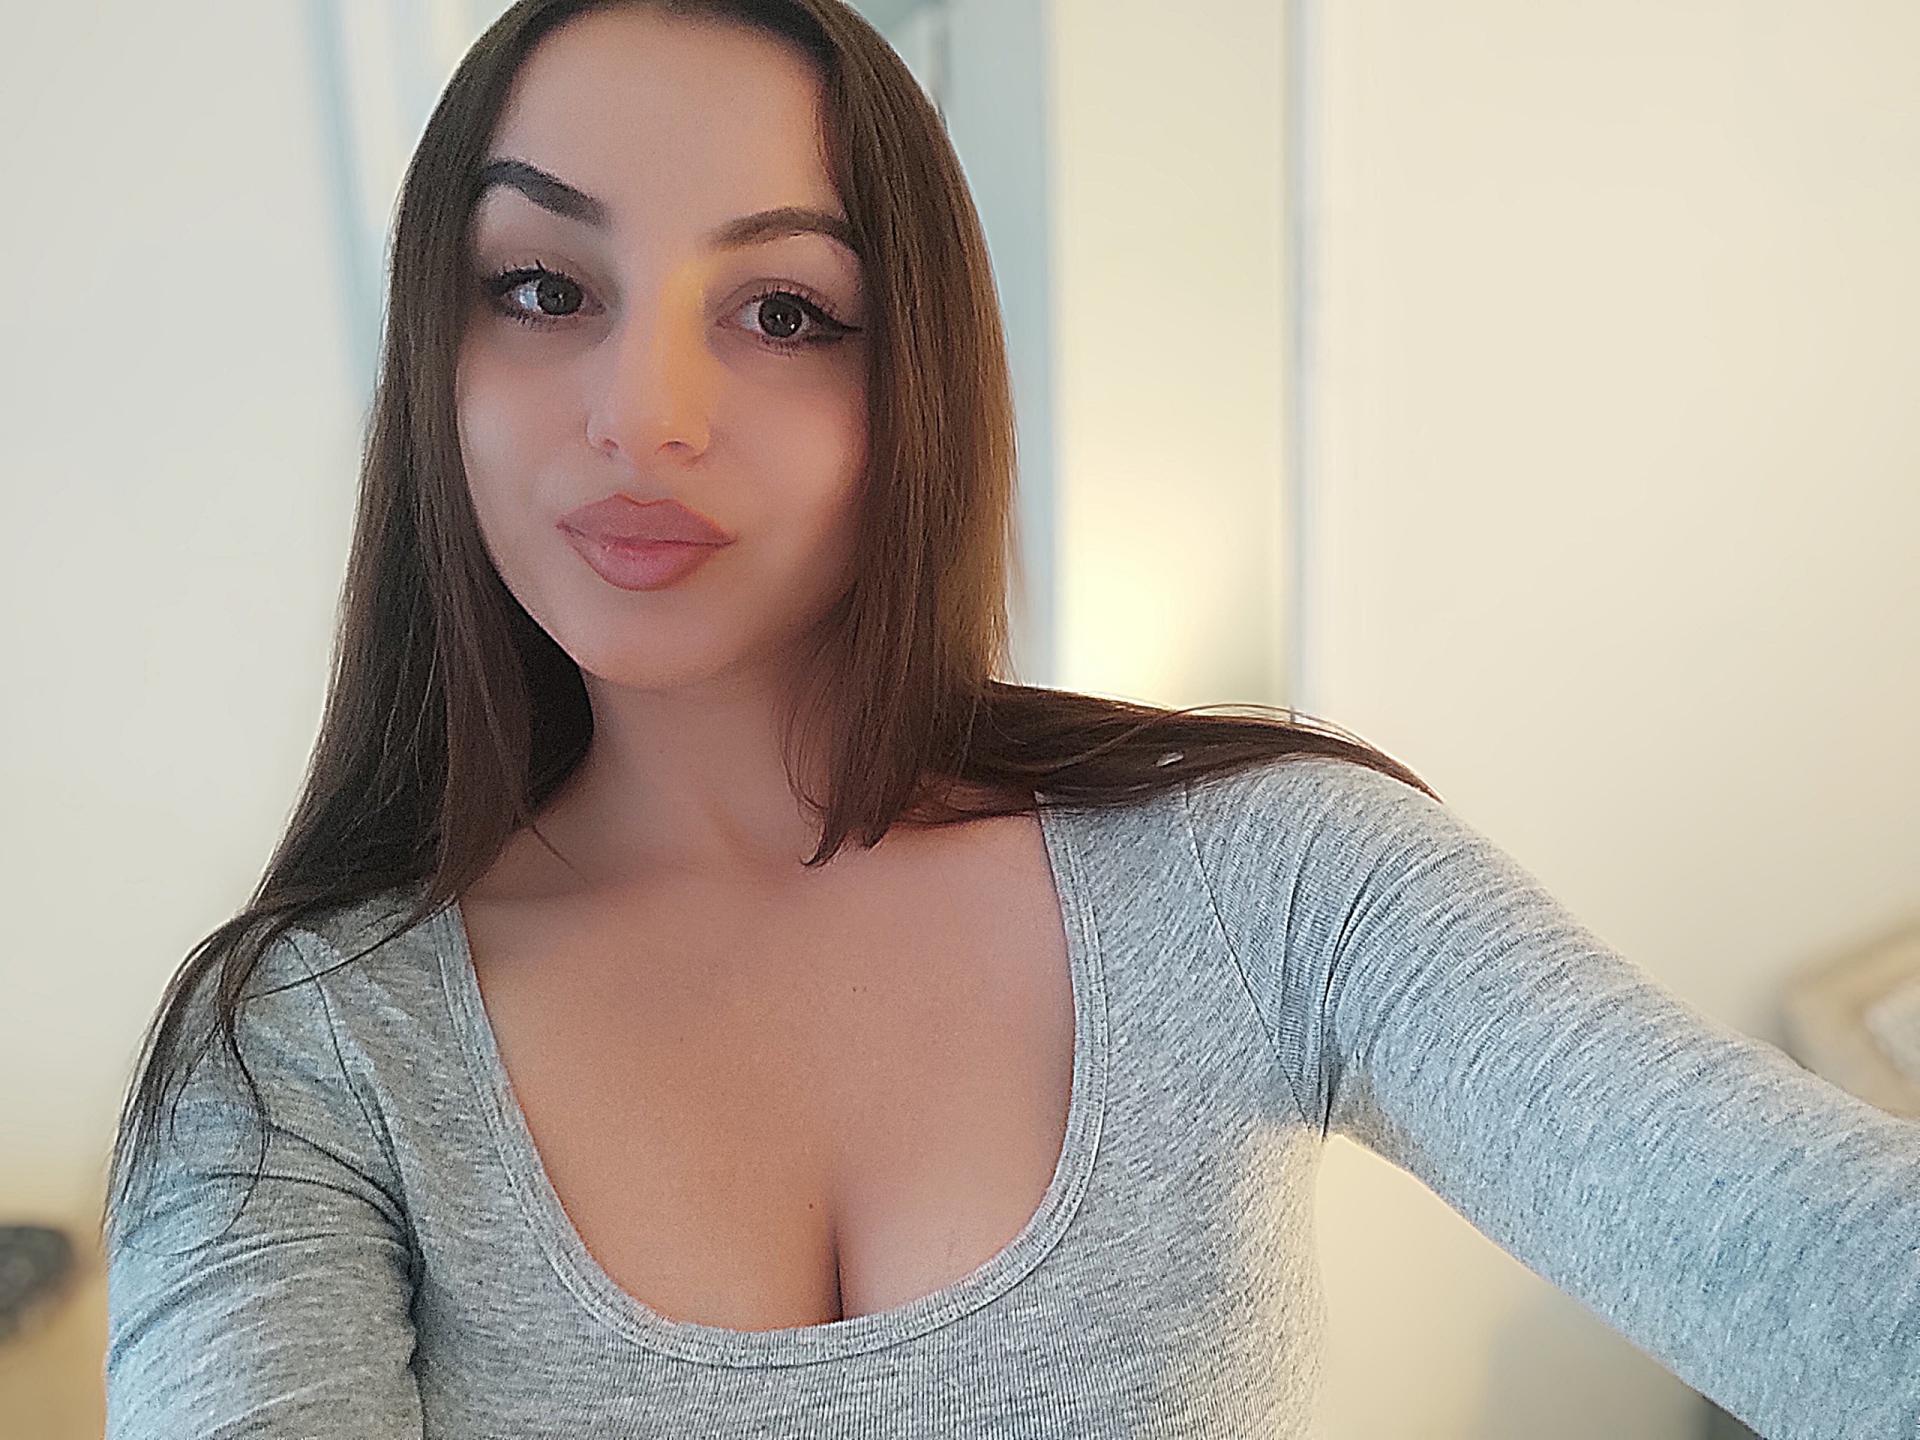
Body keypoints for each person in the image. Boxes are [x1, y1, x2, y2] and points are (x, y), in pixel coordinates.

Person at [100, 3, 1920, 1437]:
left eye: (784, 310)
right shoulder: (299, 1062)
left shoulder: (1273, 876)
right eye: (541, 288)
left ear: (921, 385)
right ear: (439, 355)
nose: (644, 411)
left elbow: (1823, 1260)